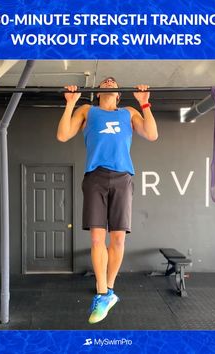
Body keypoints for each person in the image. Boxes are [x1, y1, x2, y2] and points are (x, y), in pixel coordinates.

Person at [57, 77, 158, 324]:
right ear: (98, 91)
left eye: (113, 81)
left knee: (118, 239)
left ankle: (109, 290)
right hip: (95, 177)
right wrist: (70, 103)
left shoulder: (128, 112)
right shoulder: (87, 110)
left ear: (118, 94)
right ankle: (102, 292)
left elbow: (152, 134)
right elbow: (62, 135)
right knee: (95, 238)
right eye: (105, 81)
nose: (109, 82)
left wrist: (145, 104)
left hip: (123, 177)